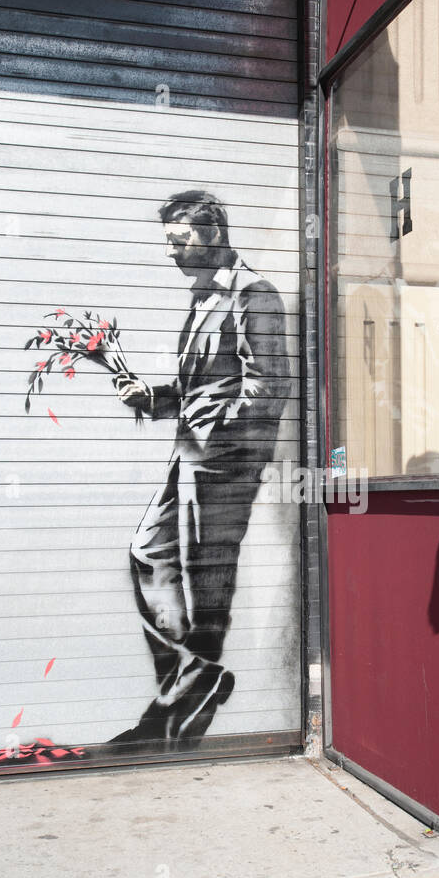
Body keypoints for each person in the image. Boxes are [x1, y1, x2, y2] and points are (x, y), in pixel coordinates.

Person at [111, 190, 289, 750]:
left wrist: (210, 433)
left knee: (203, 579)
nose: (171, 253)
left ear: (213, 234)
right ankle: (192, 680)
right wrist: (156, 398)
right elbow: (202, 387)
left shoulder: (253, 295)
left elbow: (269, 388)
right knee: (148, 554)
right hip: (190, 454)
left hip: (224, 464)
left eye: (179, 241)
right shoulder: (204, 297)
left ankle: (178, 701)